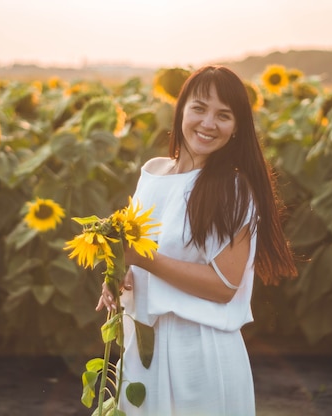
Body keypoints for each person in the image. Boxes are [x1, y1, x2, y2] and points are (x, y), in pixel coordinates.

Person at [97, 65, 298, 415]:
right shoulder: (153, 174)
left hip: (198, 352)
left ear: (237, 129)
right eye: (200, 108)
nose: (208, 123)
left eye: (224, 115)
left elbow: (224, 286)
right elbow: (141, 250)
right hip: (143, 347)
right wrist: (120, 276)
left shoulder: (232, 189)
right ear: (181, 110)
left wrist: (143, 260)